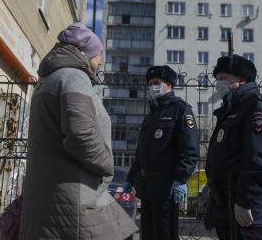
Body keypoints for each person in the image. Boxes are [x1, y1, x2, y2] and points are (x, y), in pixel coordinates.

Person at [19, 22, 137, 239]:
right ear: (85, 53)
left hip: (50, 197)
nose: (100, 60)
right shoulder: (74, 78)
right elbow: (81, 136)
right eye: (98, 54)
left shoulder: (48, 80)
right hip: (73, 197)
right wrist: (108, 163)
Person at [204, 54, 262, 240]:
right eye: (217, 79)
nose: (218, 83)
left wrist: (244, 199)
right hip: (225, 206)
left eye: (223, 78)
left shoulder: (256, 106)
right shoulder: (231, 109)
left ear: (241, 79)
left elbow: (261, 159)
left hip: (246, 209)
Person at [124, 66, 199, 240]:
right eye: (150, 84)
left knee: (164, 235)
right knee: (147, 235)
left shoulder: (180, 111)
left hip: (166, 189)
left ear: (169, 85)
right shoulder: (151, 116)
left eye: (156, 83)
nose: (152, 87)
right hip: (147, 188)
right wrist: (131, 177)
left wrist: (181, 179)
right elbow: (142, 153)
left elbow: (189, 150)